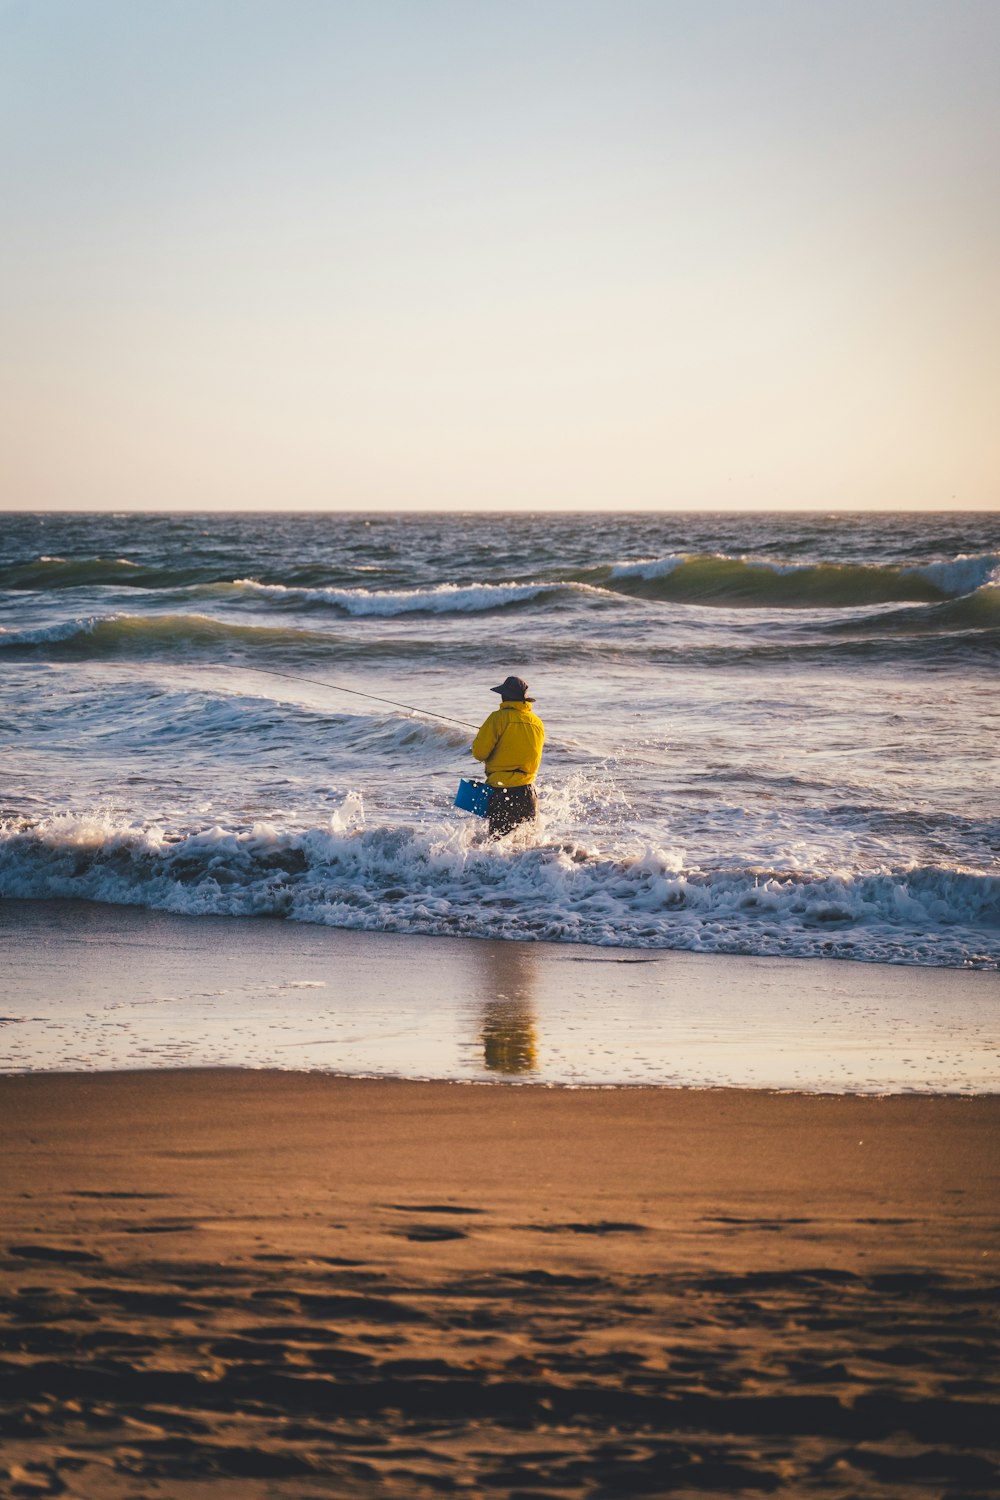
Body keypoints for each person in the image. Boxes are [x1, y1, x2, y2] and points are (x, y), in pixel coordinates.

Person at [471, 675, 545, 838]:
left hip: (502, 791)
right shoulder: (537, 722)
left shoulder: (497, 718)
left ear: (504, 696)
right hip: (529, 792)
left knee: (496, 846)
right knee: (525, 849)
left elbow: (479, 753)